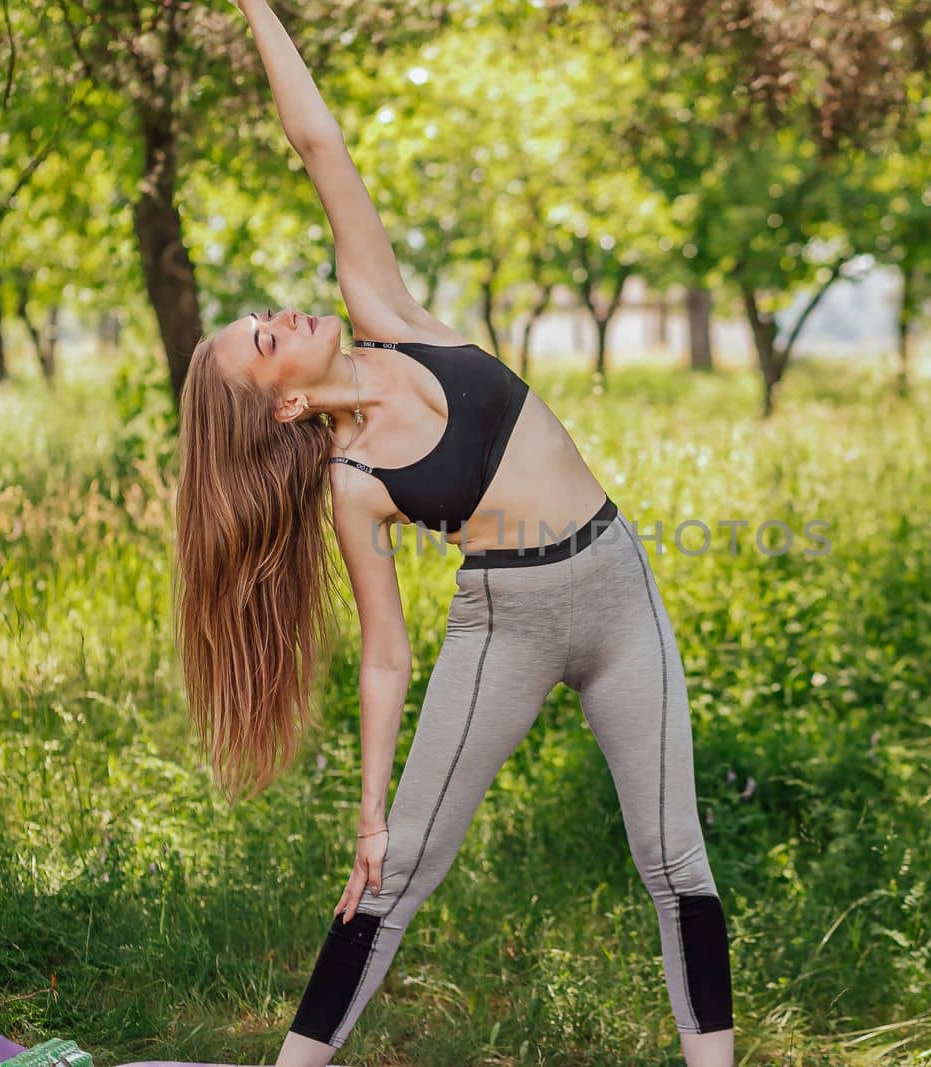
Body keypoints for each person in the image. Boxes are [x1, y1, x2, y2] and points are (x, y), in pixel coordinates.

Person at [174, 3, 734, 1065]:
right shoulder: (353, 481)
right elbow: (386, 652)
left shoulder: (388, 312)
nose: (279, 313)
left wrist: (253, 5)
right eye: (261, 338)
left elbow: (318, 144)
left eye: (264, 312)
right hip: (504, 626)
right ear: (282, 406)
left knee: (676, 858)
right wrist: (370, 812)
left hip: (618, 586)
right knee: (397, 870)